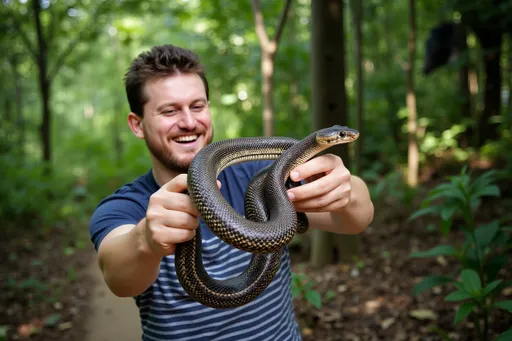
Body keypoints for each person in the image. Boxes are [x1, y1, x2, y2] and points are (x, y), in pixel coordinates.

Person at [89, 44, 374, 341]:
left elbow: (356, 219)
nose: (188, 121)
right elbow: (119, 279)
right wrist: (145, 239)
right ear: (137, 124)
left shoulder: (267, 174)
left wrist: (346, 190)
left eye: (197, 106)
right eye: (170, 110)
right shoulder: (125, 205)